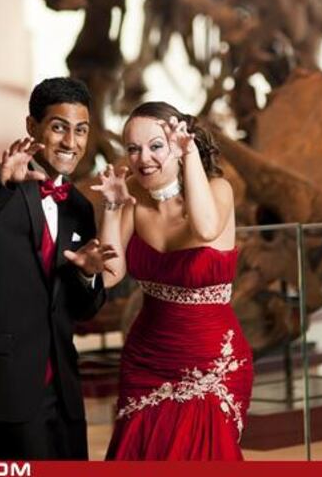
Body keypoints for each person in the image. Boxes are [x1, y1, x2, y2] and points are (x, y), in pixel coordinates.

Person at [0, 76, 116, 461]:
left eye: (81, 130)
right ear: (32, 126)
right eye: (59, 127)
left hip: (63, 390)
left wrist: (87, 274)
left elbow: (82, 309)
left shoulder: (79, 207)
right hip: (5, 385)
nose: (71, 142)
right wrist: (0, 186)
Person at [94, 100, 253, 460]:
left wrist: (189, 154)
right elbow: (109, 275)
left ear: (180, 145)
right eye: (133, 148)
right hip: (146, 359)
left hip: (211, 361)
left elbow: (206, 228)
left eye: (156, 146)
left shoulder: (219, 190)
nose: (143, 158)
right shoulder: (131, 194)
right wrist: (112, 208)